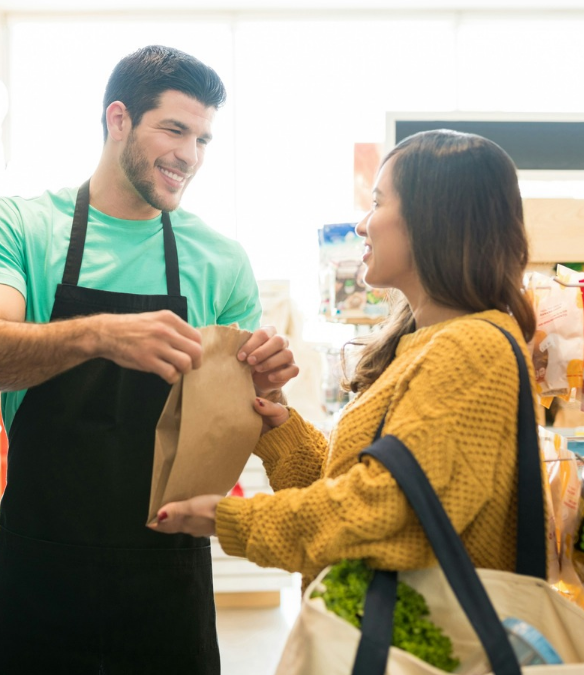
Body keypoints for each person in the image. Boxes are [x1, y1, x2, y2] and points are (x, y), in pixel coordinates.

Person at [0, 45, 298, 674]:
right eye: (174, 129)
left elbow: (245, 421)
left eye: (203, 138)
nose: (189, 156)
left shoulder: (221, 260)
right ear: (118, 120)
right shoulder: (20, 226)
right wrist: (98, 335)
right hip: (43, 574)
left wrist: (267, 387)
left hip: (167, 578)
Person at [152, 130, 542, 588]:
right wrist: (281, 430)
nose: (361, 225)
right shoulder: (423, 343)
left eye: (378, 204)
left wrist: (229, 518)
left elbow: (390, 515)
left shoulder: (473, 350)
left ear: (434, 219)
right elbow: (353, 485)